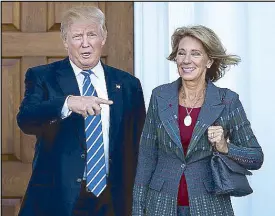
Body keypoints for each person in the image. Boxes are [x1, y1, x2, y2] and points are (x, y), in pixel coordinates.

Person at [17, 6, 146, 216]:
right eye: (77, 36)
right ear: (65, 41)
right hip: (58, 199)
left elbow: (138, 142)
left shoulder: (128, 84)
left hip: (113, 200)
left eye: (92, 34)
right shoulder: (43, 77)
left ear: (103, 37)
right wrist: (67, 104)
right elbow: (26, 119)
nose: (85, 43)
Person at [132, 25, 264, 216]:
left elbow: (256, 158)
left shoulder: (227, 101)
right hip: (160, 205)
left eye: (195, 54)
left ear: (209, 60)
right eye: (181, 53)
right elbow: (146, 155)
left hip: (209, 205)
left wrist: (225, 147)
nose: (186, 60)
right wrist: (137, 209)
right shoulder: (160, 96)